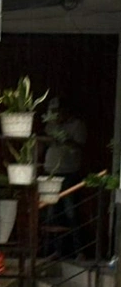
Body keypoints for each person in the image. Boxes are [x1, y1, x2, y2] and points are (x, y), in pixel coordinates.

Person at [42, 99, 87, 258]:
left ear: (65, 110)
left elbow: (79, 146)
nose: (55, 115)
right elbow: (45, 142)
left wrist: (64, 139)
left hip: (68, 173)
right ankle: (55, 250)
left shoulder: (77, 125)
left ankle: (79, 251)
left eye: (57, 111)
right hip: (50, 172)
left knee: (71, 213)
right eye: (52, 112)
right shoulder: (51, 125)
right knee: (51, 214)